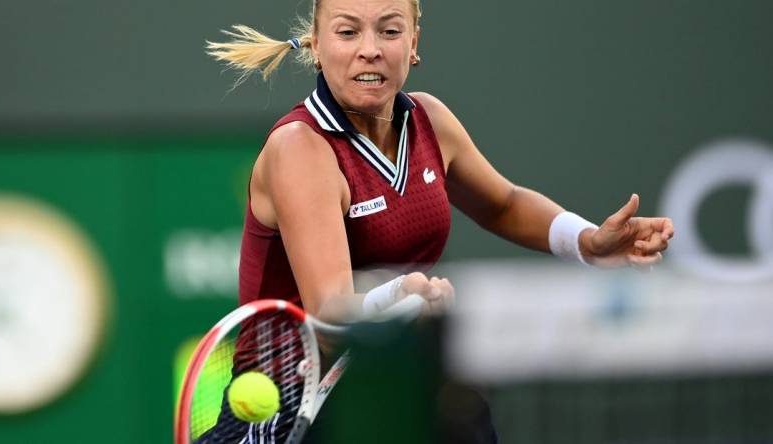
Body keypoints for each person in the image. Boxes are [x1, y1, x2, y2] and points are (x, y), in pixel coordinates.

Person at [203, 0, 674, 442]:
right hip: (293, 405)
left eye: (389, 30)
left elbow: (503, 203)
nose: (370, 49)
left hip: (400, 384)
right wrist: (400, 296)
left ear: (413, 43)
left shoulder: (430, 120)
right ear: (317, 46)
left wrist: (587, 242)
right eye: (347, 32)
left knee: (469, 417)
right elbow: (330, 314)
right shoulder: (300, 149)